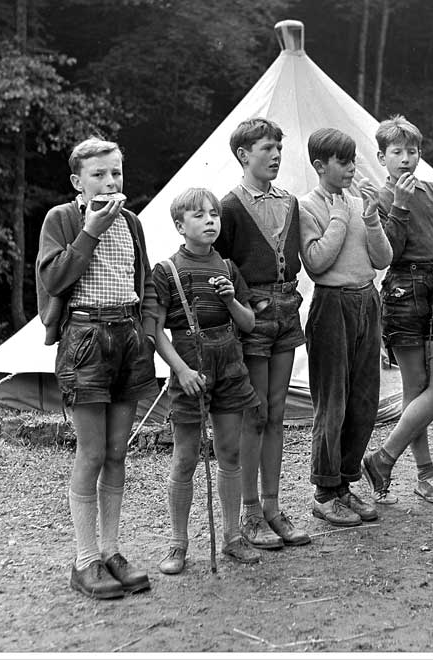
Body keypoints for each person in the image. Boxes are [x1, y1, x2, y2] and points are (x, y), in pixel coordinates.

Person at [35, 136, 158, 600]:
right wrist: (89, 232)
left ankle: (110, 550)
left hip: (127, 338)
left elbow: (141, 279)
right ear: (77, 182)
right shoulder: (62, 219)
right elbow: (53, 279)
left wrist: (146, 329)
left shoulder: (131, 222)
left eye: (116, 174)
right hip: (85, 339)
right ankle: (84, 561)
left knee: (116, 451)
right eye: (99, 175)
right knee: (90, 454)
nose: (110, 182)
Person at [362, 115, 433, 505]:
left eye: (412, 151)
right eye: (397, 152)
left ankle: (383, 456)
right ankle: (427, 477)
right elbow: (386, 252)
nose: (405, 159)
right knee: (415, 389)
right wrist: (402, 204)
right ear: (382, 157)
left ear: (420, 154)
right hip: (403, 290)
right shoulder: (378, 198)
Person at [152, 188, 263, 569]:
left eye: (214, 214)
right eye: (199, 216)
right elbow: (154, 330)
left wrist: (232, 300)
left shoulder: (229, 268)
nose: (210, 220)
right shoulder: (167, 271)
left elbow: (249, 323)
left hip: (230, 363)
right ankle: (177, 544)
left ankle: (233, 536)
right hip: (190, 366)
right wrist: (180, 371)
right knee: (185, 458)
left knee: (230, 453)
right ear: (180, 226)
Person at [214, 117, 311, 550]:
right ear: (243, 155)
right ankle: (250, 511)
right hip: (253, 317)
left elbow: (295, 257)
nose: (274, 156)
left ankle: (273, 507)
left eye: (278, 149)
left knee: (276, 411)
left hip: (287, 312)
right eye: (266, 149)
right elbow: (219, 263)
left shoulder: (290, 202)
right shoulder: (228, 206)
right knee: (254, 413)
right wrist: (243, 300)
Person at [299, 128, 392, 526]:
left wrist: (369, 217)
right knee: (332, 401)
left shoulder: (360, 203)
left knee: (364, 399)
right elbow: (316, 261)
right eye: (343, 161)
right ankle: (324, 492)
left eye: (353, 160)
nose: (352, 168)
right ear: (320, 166)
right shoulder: (306, 206)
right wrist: (339, 217)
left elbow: (382, 258)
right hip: (332, 304)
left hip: (367, 300)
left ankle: (345, 484)